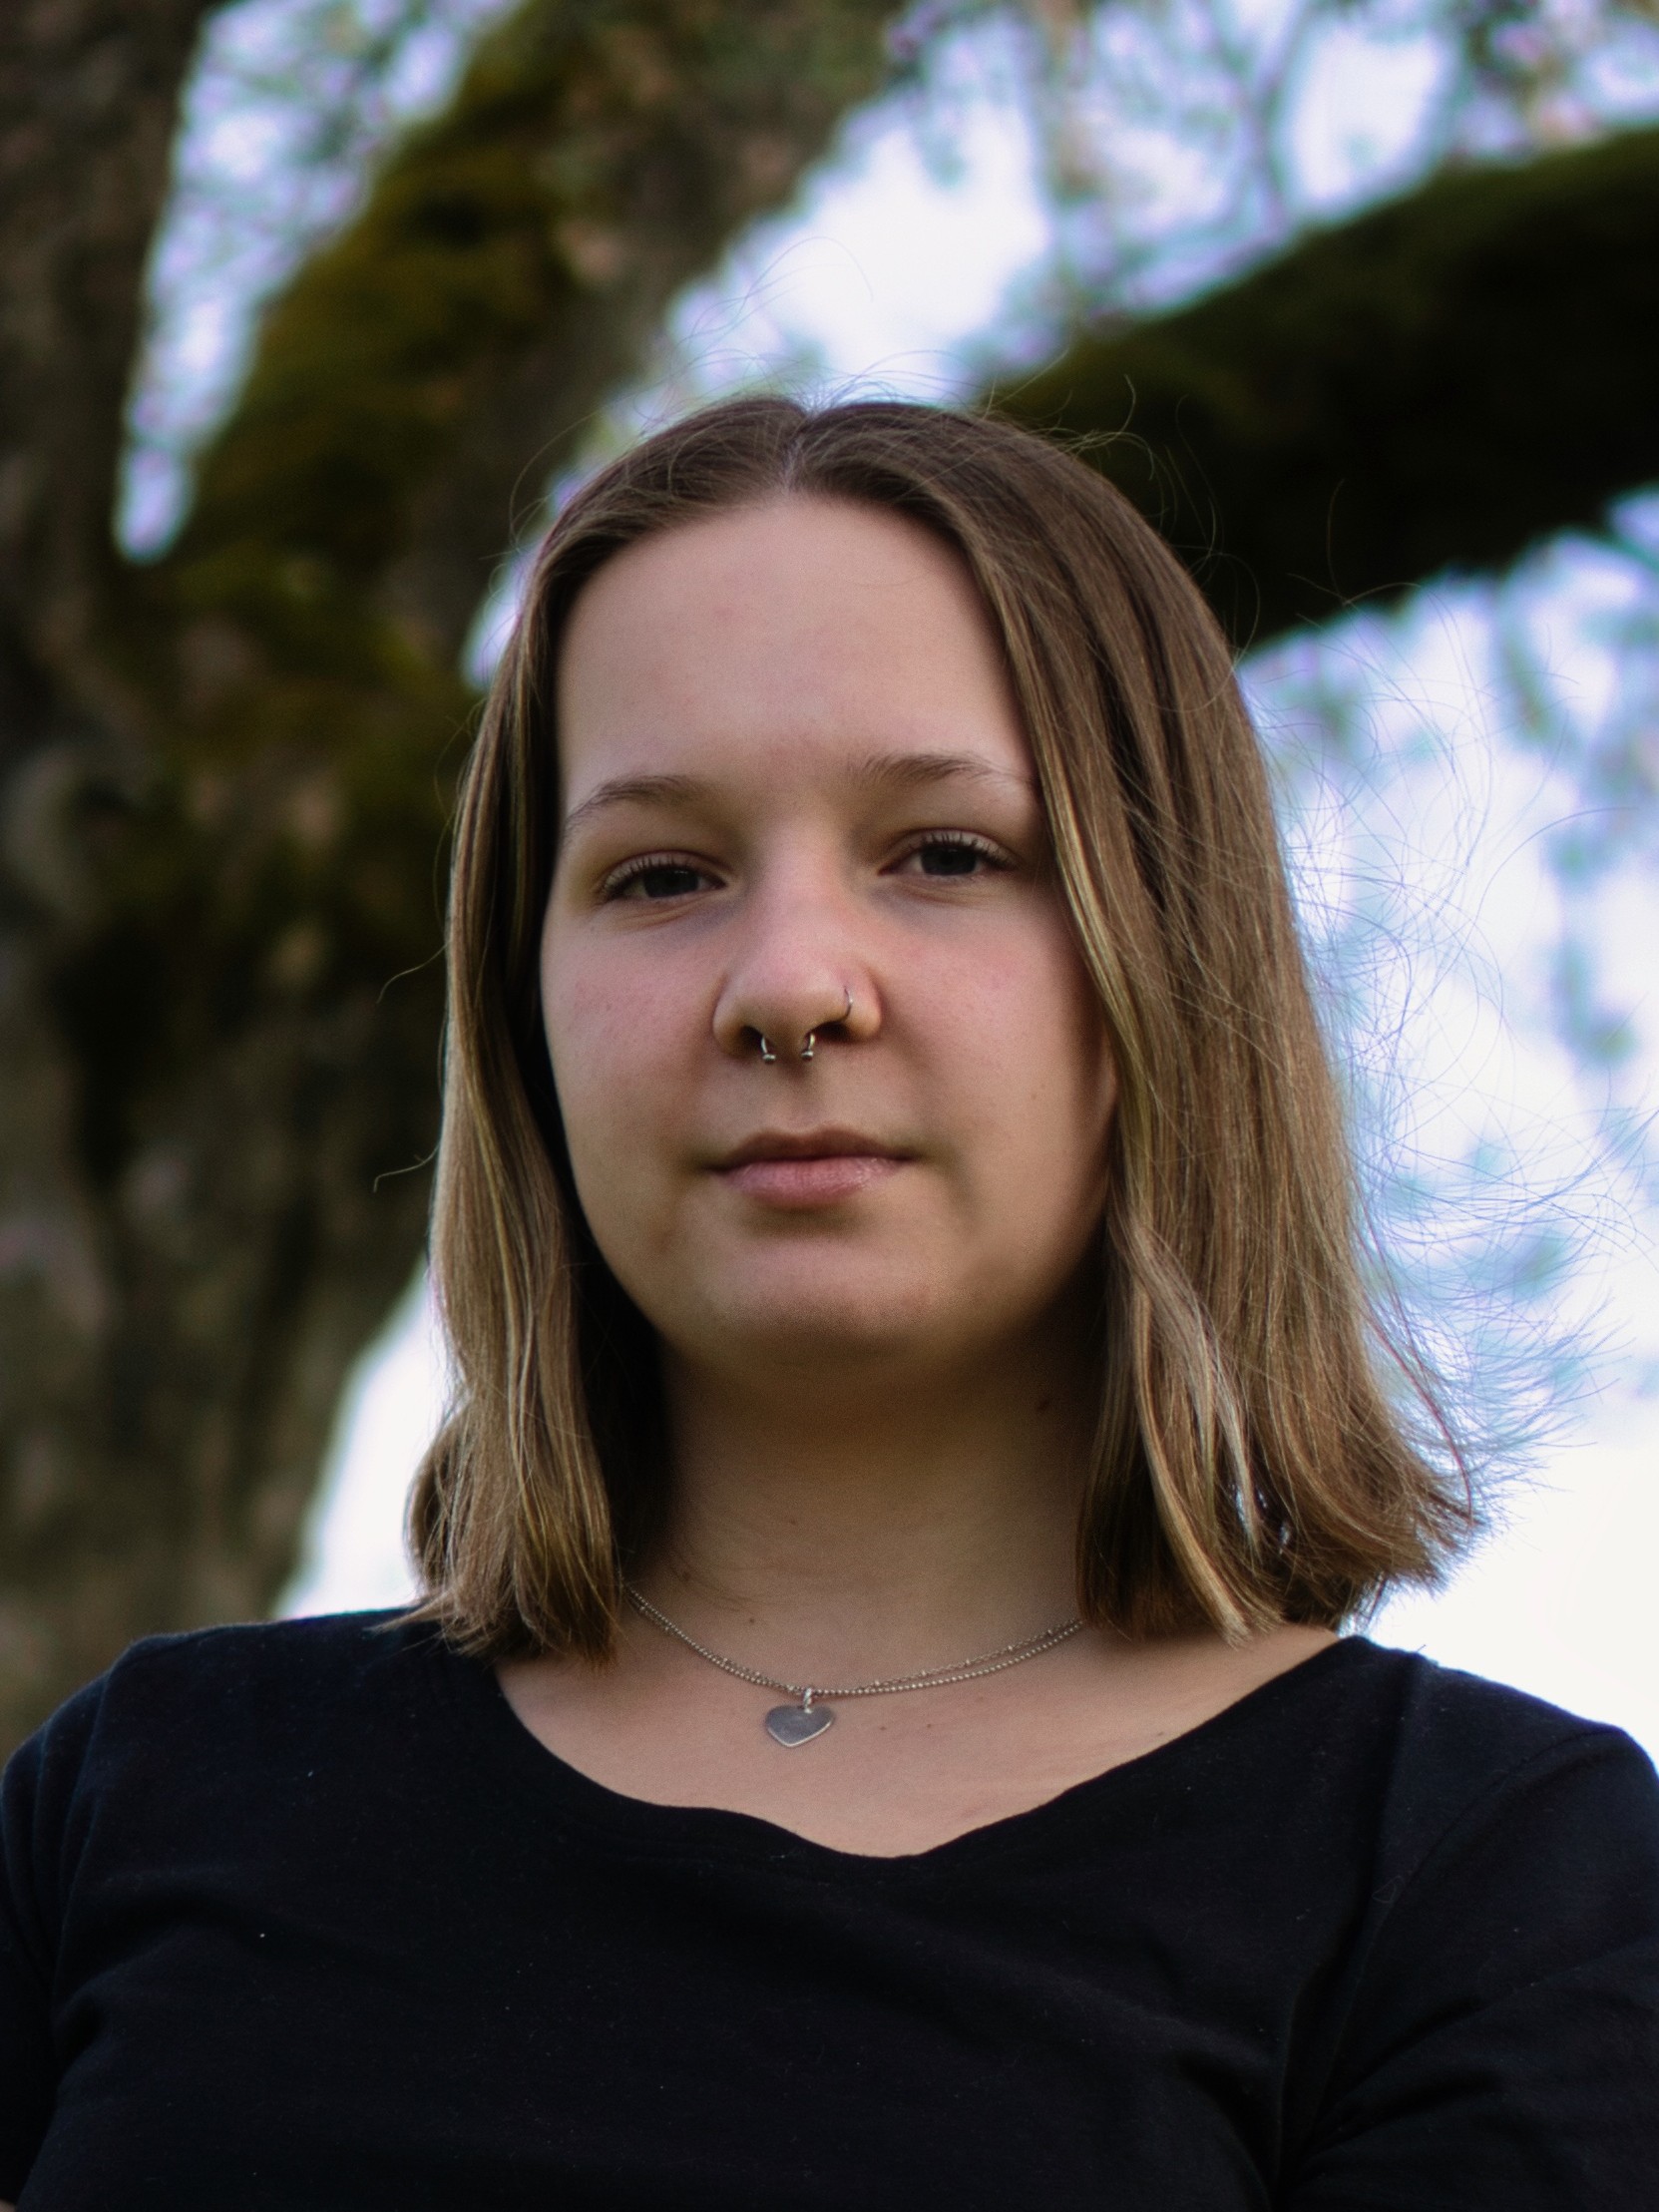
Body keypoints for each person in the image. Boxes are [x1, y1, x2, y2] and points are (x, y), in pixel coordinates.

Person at [1, 398, 1655, 2209]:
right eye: (661, 875)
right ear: (525, 1011)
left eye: (944, 852)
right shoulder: (147, 1793)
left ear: (1169, 961)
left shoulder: (1489, 1888)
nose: (789, 984)